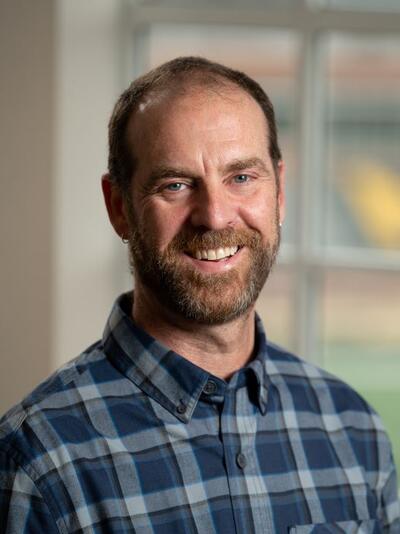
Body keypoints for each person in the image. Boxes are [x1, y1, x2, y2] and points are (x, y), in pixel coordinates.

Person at [0, 56, 399, 534]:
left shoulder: (355, 432)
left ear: (279, 193)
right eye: (176, 184)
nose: (213, 216)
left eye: (242, 178)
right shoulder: (36, 462)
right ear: (119, 208)